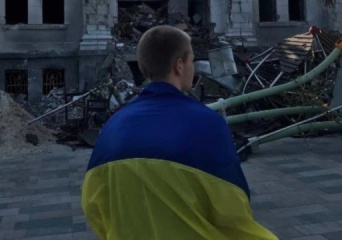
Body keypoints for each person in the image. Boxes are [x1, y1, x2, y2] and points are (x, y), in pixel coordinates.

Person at [82, 25, 278, 240]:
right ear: (179, 66)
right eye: (192, 60)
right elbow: (234, 212)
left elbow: (93, 207)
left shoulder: (113, 126)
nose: (193, 67)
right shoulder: (208, 124)